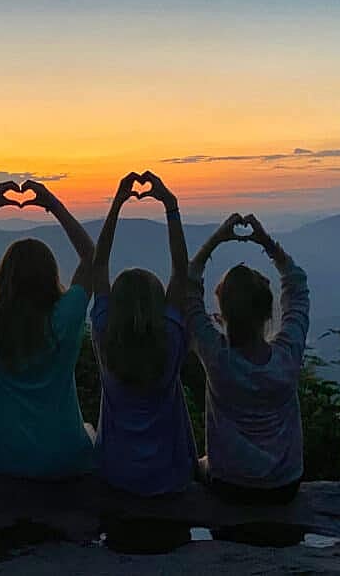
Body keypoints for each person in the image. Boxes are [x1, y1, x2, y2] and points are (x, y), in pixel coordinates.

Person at [0, 179, 95, 479]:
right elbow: (92, 258)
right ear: (51, 275)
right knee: (91, 431)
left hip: (6, 457)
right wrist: (53, 204)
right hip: (64, 456)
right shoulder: (64, 317)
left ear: (5, 277)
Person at [187, 212, 310, 504]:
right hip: (285, 485)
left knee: (194, 462)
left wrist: (215, 240)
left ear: (222, 315)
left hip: (229, 483)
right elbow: (298, 287)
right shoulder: (287, 356)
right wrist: (267, 243)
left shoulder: (217, 358)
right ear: (268, 313)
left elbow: (187, 292)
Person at [90, 171, 196, 496]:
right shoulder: (171, 338)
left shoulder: (105, 335)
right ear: (158, 303)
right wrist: (171, 205)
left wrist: (117, 203)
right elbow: (181, 271)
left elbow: (97, 266)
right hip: (169, 478)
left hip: (116, 475)